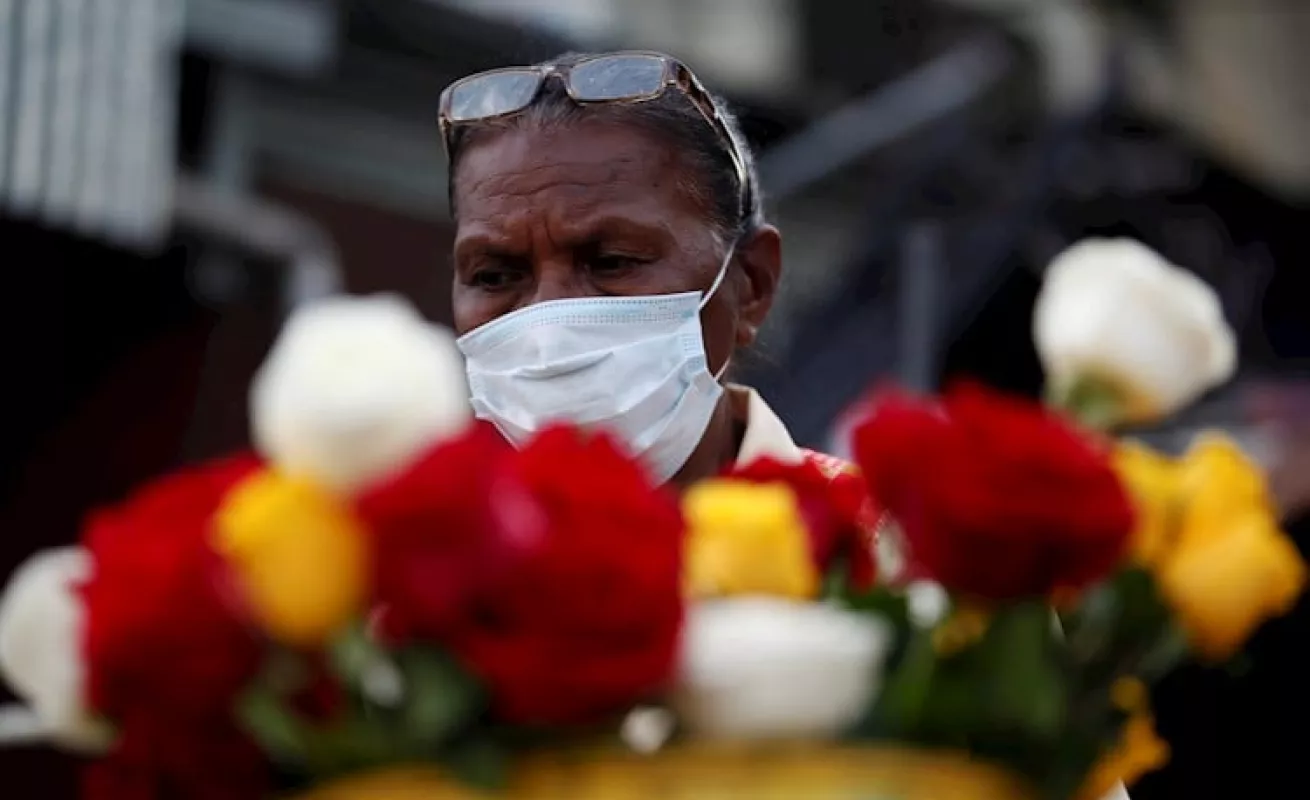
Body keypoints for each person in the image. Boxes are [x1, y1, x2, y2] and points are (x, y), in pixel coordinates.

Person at [442, 50, 852, 487]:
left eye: (613, 262)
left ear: (751, 284)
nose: (549, 329)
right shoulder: (414, 531)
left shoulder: (874, 527)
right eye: (494, 277)